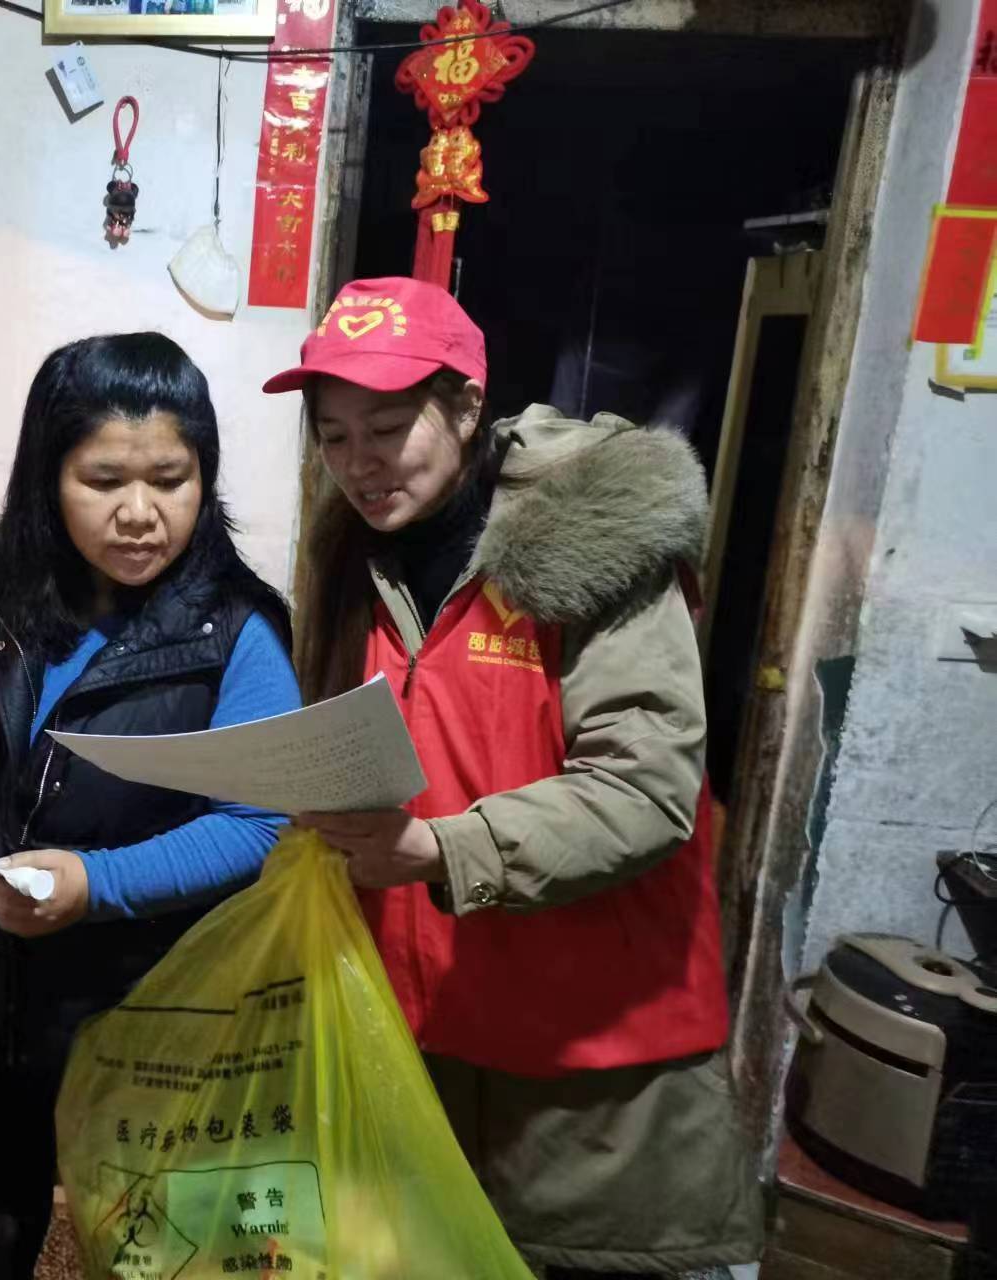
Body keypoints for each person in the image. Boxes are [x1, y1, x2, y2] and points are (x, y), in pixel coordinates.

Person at [266, 277, 763, 1278]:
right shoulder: (353, 552)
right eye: (333, 436)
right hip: (417, 1028)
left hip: (585, 1058)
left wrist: (439, 848)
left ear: (465, 405)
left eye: (387, 428)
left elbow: (645, 789)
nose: (358, 463)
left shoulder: (592, 538)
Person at [0, 332, 299, 1278]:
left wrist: (95, 883)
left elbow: (257, 824)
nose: (141, 513)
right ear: (48, 477)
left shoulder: (236, 631)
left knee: (154, 1236)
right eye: (103, 480)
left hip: (152, 1002)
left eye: (171, 479)